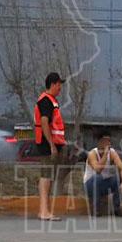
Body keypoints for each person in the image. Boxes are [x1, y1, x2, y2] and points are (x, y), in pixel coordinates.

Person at [35, 72, 68, 221]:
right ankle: (44, 211)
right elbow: (44, 122)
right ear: (53, 84)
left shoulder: (51, 101)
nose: (60, 87)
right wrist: (51, 145)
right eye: (59, 84)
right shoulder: (46, 101)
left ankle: (45, 210)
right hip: (47, 144)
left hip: (52, 144)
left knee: (48, 176)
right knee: (46, 176)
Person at [83, 130, 122, 216]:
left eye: (109, 141)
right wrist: (105, 154)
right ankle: (95, 209)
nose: (108, 143)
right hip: (90, 185)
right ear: (100, 142)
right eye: (105, 141)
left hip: (104, 185)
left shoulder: (112, 153)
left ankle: (116, 208)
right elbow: (98, 170)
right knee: (97, 177)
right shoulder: (92, 154)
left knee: (118, 178)